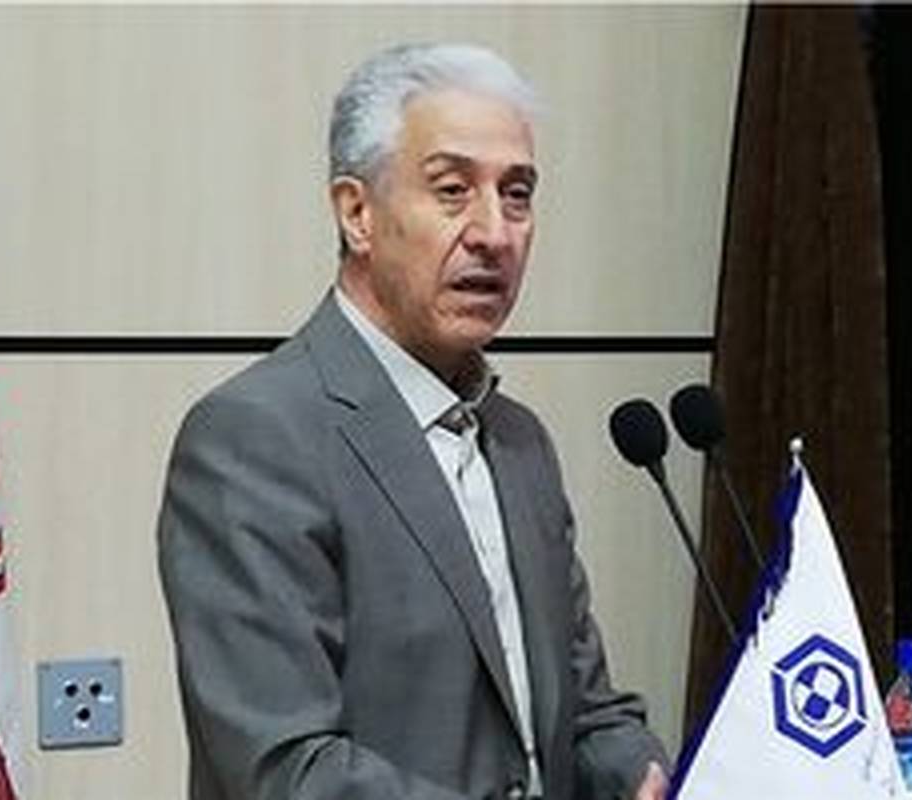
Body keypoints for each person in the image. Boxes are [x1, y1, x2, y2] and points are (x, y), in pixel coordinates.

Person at [157, 42, 669, 800]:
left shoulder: (519, 442)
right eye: (453, 190)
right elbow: (286, 768)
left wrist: (642, 773)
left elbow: (587, 714)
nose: (494, 232)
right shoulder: (253, 438)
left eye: (517, 194)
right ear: (357, 213)